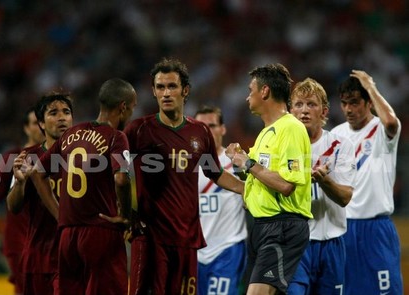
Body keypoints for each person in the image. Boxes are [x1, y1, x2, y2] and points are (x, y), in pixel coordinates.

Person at [124, 57, 244, 295]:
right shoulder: (138, 130)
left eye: (172, 86)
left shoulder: (199, 132)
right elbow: (115, 172)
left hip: (187, 238)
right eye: (160, 87)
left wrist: (246, 189)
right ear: (154, 92)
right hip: (151, 237)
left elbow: (215, 173)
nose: (166, 93)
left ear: (185, 90)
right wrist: (125, 214)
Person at [31, 78, 137, 295]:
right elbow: (121, 179)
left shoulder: (71, 134)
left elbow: (37, 172)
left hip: (67, 236)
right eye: (132, 108)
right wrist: (125, 216)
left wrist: (60, 214)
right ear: (123, 107)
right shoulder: (116, 138)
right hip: (100, 232)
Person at [225, 63, 312, 295]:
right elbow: (250, 182)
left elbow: (286, 185)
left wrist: (247, 163)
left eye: (250, 90)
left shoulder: (291, 128)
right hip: (262, 227)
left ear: (264, 91)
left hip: (281, 225)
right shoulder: (266, 132)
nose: (247, 97)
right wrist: (229, 161)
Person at [331, 70, 403, 295]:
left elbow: (391, 120)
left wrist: (370, 86)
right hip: (344, 229)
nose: (348, 109)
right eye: (344, 103)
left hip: (376, 228)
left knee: (386, 291)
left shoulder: (381, 130)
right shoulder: (336, 135)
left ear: (368, 102)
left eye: (354, 103)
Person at [287, 78, 356, 294]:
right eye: (299, 104)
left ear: (324, 112)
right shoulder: (283, 147)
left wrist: (324, 181)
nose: (304, 111)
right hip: (296, 244)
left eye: (311, 104)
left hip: (332, 244)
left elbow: (345, 197)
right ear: (290, 111)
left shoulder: (340, 145)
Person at [7, 92, 74, 295]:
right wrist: (19, 183)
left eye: (66, 112)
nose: (62, 117)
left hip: (71, 255)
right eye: (53, 113)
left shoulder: (85, 156)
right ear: (42, 124)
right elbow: (13, 206)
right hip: (39, 256)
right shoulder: (27, 157)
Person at [0, 106, 44, 295]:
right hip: (19, 240)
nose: (40, 127)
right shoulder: (11, 158)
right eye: (35, 123)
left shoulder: (54, 158)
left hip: (45, 241)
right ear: (26, 128)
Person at [194, 105, 247, 295]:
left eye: (212, 125)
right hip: (195, 253)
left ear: (223, 129)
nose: (207, 131)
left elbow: (253, 197)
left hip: (227, 249)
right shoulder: (186, 166)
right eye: (202, 126)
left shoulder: (237, 162)